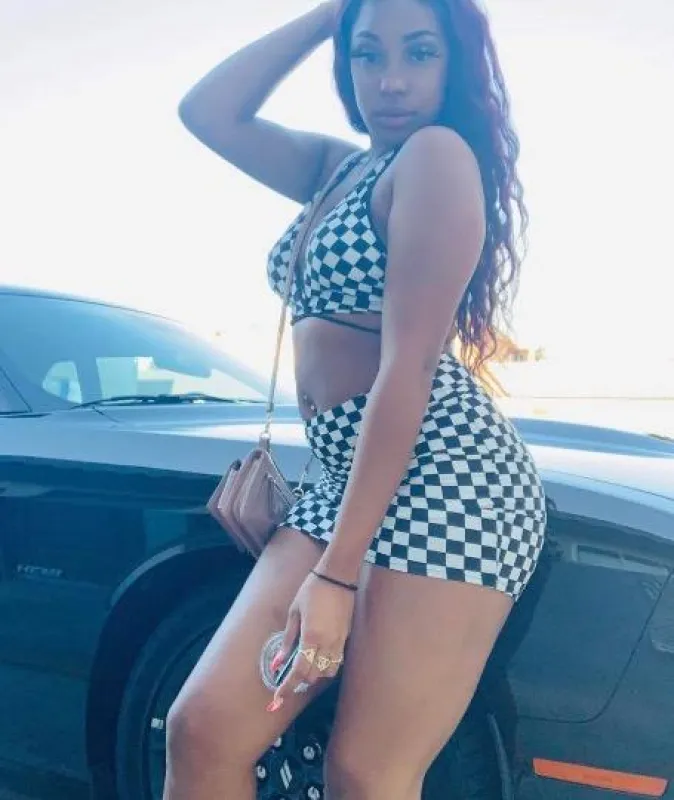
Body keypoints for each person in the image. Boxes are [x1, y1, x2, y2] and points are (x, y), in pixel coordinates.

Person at [164, 0, 547, 797]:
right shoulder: (339, 169)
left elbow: (407, 370)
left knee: (367, 776)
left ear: (454, 65)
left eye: (419, 53)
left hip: (449, 481)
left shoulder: (436, 157)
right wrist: (330, 16)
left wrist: (336, 578)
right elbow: (208, 112)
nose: (391, 80)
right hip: (346, 473)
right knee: (202, 729)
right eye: (369, 55)